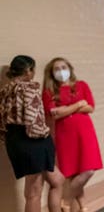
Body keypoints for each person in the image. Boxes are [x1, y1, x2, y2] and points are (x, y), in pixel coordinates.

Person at [0, 55, 64, 212]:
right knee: (33, 192)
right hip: (33, 141)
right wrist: (46, 134)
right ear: (29, 70)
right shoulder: (29, 88)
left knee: (57, 180)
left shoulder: (4, 91)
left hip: (14, 140)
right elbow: (33, 121)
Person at [42, 57, 103, 212]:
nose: (61, 71)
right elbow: (54, 114)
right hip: (65, 135)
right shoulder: (49, 91)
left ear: (70, 68)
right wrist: (77, 104)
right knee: (72, 172)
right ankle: (83, 207)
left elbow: (90, 107)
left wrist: (64, 109)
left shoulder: (81, 85)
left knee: (88, 170)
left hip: (85, 133)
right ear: (51, 73)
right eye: (57, 69)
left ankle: (66, 201)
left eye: (63, 67)